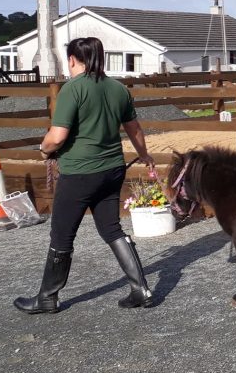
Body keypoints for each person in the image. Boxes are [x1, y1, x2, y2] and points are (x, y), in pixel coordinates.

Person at [14, 37, 158, 314]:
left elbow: (57, 137)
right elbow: (134, 128)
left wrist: (43, 151)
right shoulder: (118, 88)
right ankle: (141, 289)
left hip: (80, 172)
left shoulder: (72, 89)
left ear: (71, 59)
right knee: (112, 229)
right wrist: (145, 154)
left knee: (62, 236)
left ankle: (47, 297)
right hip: (112, 169)